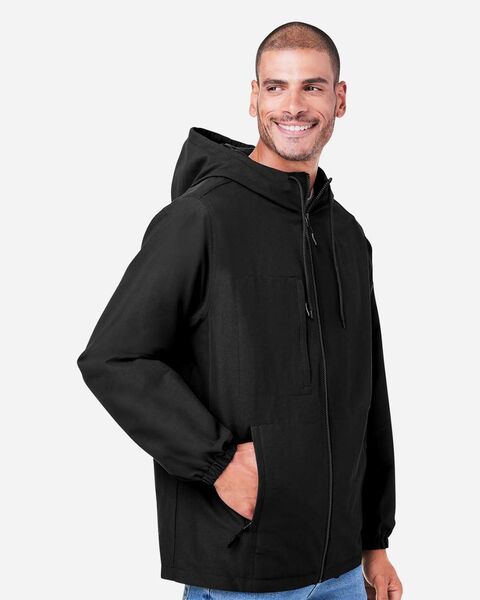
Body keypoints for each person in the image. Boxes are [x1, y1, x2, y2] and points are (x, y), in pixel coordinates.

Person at [77, 20, 403, 600]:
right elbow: (114, 358)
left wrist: (374, 542)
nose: (293, 105)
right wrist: (219, 462)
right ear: (254, 98)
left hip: (343, 571)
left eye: (312, 87)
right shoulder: (201, 218)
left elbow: (367, 392)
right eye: (276, 87)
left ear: (340, 99)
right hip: (244, 569)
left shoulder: (348, 236)